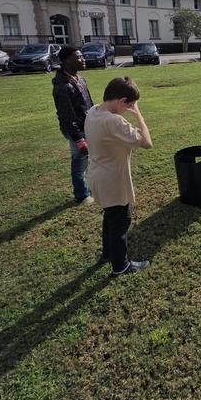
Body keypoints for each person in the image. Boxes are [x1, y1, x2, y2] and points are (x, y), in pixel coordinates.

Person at [84, 76, 153, 277]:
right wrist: (139, 115)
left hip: (97, 175)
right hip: (112, 180)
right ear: (122, 101)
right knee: (120, 222)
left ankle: (108, 254)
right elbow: (147, 142)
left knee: (110, 218)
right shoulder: (113, 121)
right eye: (129, 105)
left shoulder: (93, 111)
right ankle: (120, 266)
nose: (129, 109)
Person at [52, 46, 94, 205]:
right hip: (75, 130)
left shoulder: (80, 79)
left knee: (89, 159)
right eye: (78, 57)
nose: (83, 60)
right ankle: (82, 195)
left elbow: (87, 103)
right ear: (66, 61)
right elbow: (67, 117)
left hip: (87, 126)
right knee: (79, 160)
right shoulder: (62, 87)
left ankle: (90, 187)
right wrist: (79, 140)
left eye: (82, 56)